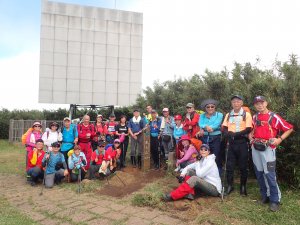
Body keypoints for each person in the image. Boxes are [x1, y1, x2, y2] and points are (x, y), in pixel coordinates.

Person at [249, 96, 293, 212]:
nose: (260, 105)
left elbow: (289, 128)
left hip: (269, 149)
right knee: (259, 173)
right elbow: (253, 130)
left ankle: (275, 200)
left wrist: (279, 139)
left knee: (270, 174)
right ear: (254, 105)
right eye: (257, 103)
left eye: (262, 102)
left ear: (266, 103)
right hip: (256, 148)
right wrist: (250, 136)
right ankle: (265, 197)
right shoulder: (255, 117)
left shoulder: (274, 117)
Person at [222, 95, 253, 196]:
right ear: (232, 103)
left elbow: (248, 128)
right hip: (231, 143)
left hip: (242, 142)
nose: (236, 103)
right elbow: (224, 127)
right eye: (234, 101)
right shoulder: (228, 114)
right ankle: (230, 186)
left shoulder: (246, 114)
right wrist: (227, 134)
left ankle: (243, 187)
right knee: (229, 166)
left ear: (241, 103)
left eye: (238, 101)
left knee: (243, 166)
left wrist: (235, 134)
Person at [197, 99, 223, 174]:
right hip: (204, 138)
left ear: (215, 107)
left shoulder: (219, 114)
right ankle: (206, 172)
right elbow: (200, 123)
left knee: (216, 155)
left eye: (212, 106)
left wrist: (206, 128)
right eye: (208, 107)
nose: (210, 108)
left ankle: (218, 173)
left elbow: (217, 124)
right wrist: (206, 127)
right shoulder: (202, 115)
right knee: (205, 155)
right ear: (205, 108)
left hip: (216, 137)